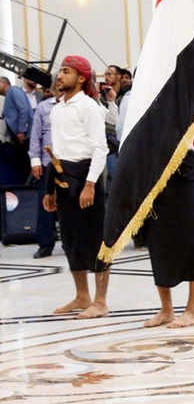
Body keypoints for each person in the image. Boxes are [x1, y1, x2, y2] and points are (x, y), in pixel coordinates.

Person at [42, 56, 110, 319]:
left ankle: (101, 301)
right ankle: (82, 296)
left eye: (66, 72)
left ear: (81, 78)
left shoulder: (89, 107)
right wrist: (50, 189)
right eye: (60, 71)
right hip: (62, 177)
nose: (60, 76)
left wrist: (91, 184)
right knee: (71, 239)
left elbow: (100, 148)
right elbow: (58, 150)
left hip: (85, 178)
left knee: (95, 239)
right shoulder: (57, 108)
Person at [137, 114, 194, 329]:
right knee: (158, 241)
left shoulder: (186, 99)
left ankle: (192, 310)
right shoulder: (151, 98)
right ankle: (166, 309)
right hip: (154, 174)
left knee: (192, 242)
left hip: (183, 172)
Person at [28, 84, 61, 259]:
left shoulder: (76, 106)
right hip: (48, 162)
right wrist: (35, 161)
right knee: (45, 203)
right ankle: (45, 244)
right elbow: (35, 136)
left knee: (70, 204)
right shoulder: (43, 107)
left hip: (70, 161)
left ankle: (72, 242)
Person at [0, 76, 34, 184]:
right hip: (15, 139)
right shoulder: (9, 95)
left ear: (5, 83)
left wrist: (21, 130)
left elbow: (24, 109)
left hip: (21, 137)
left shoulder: (13, 90)